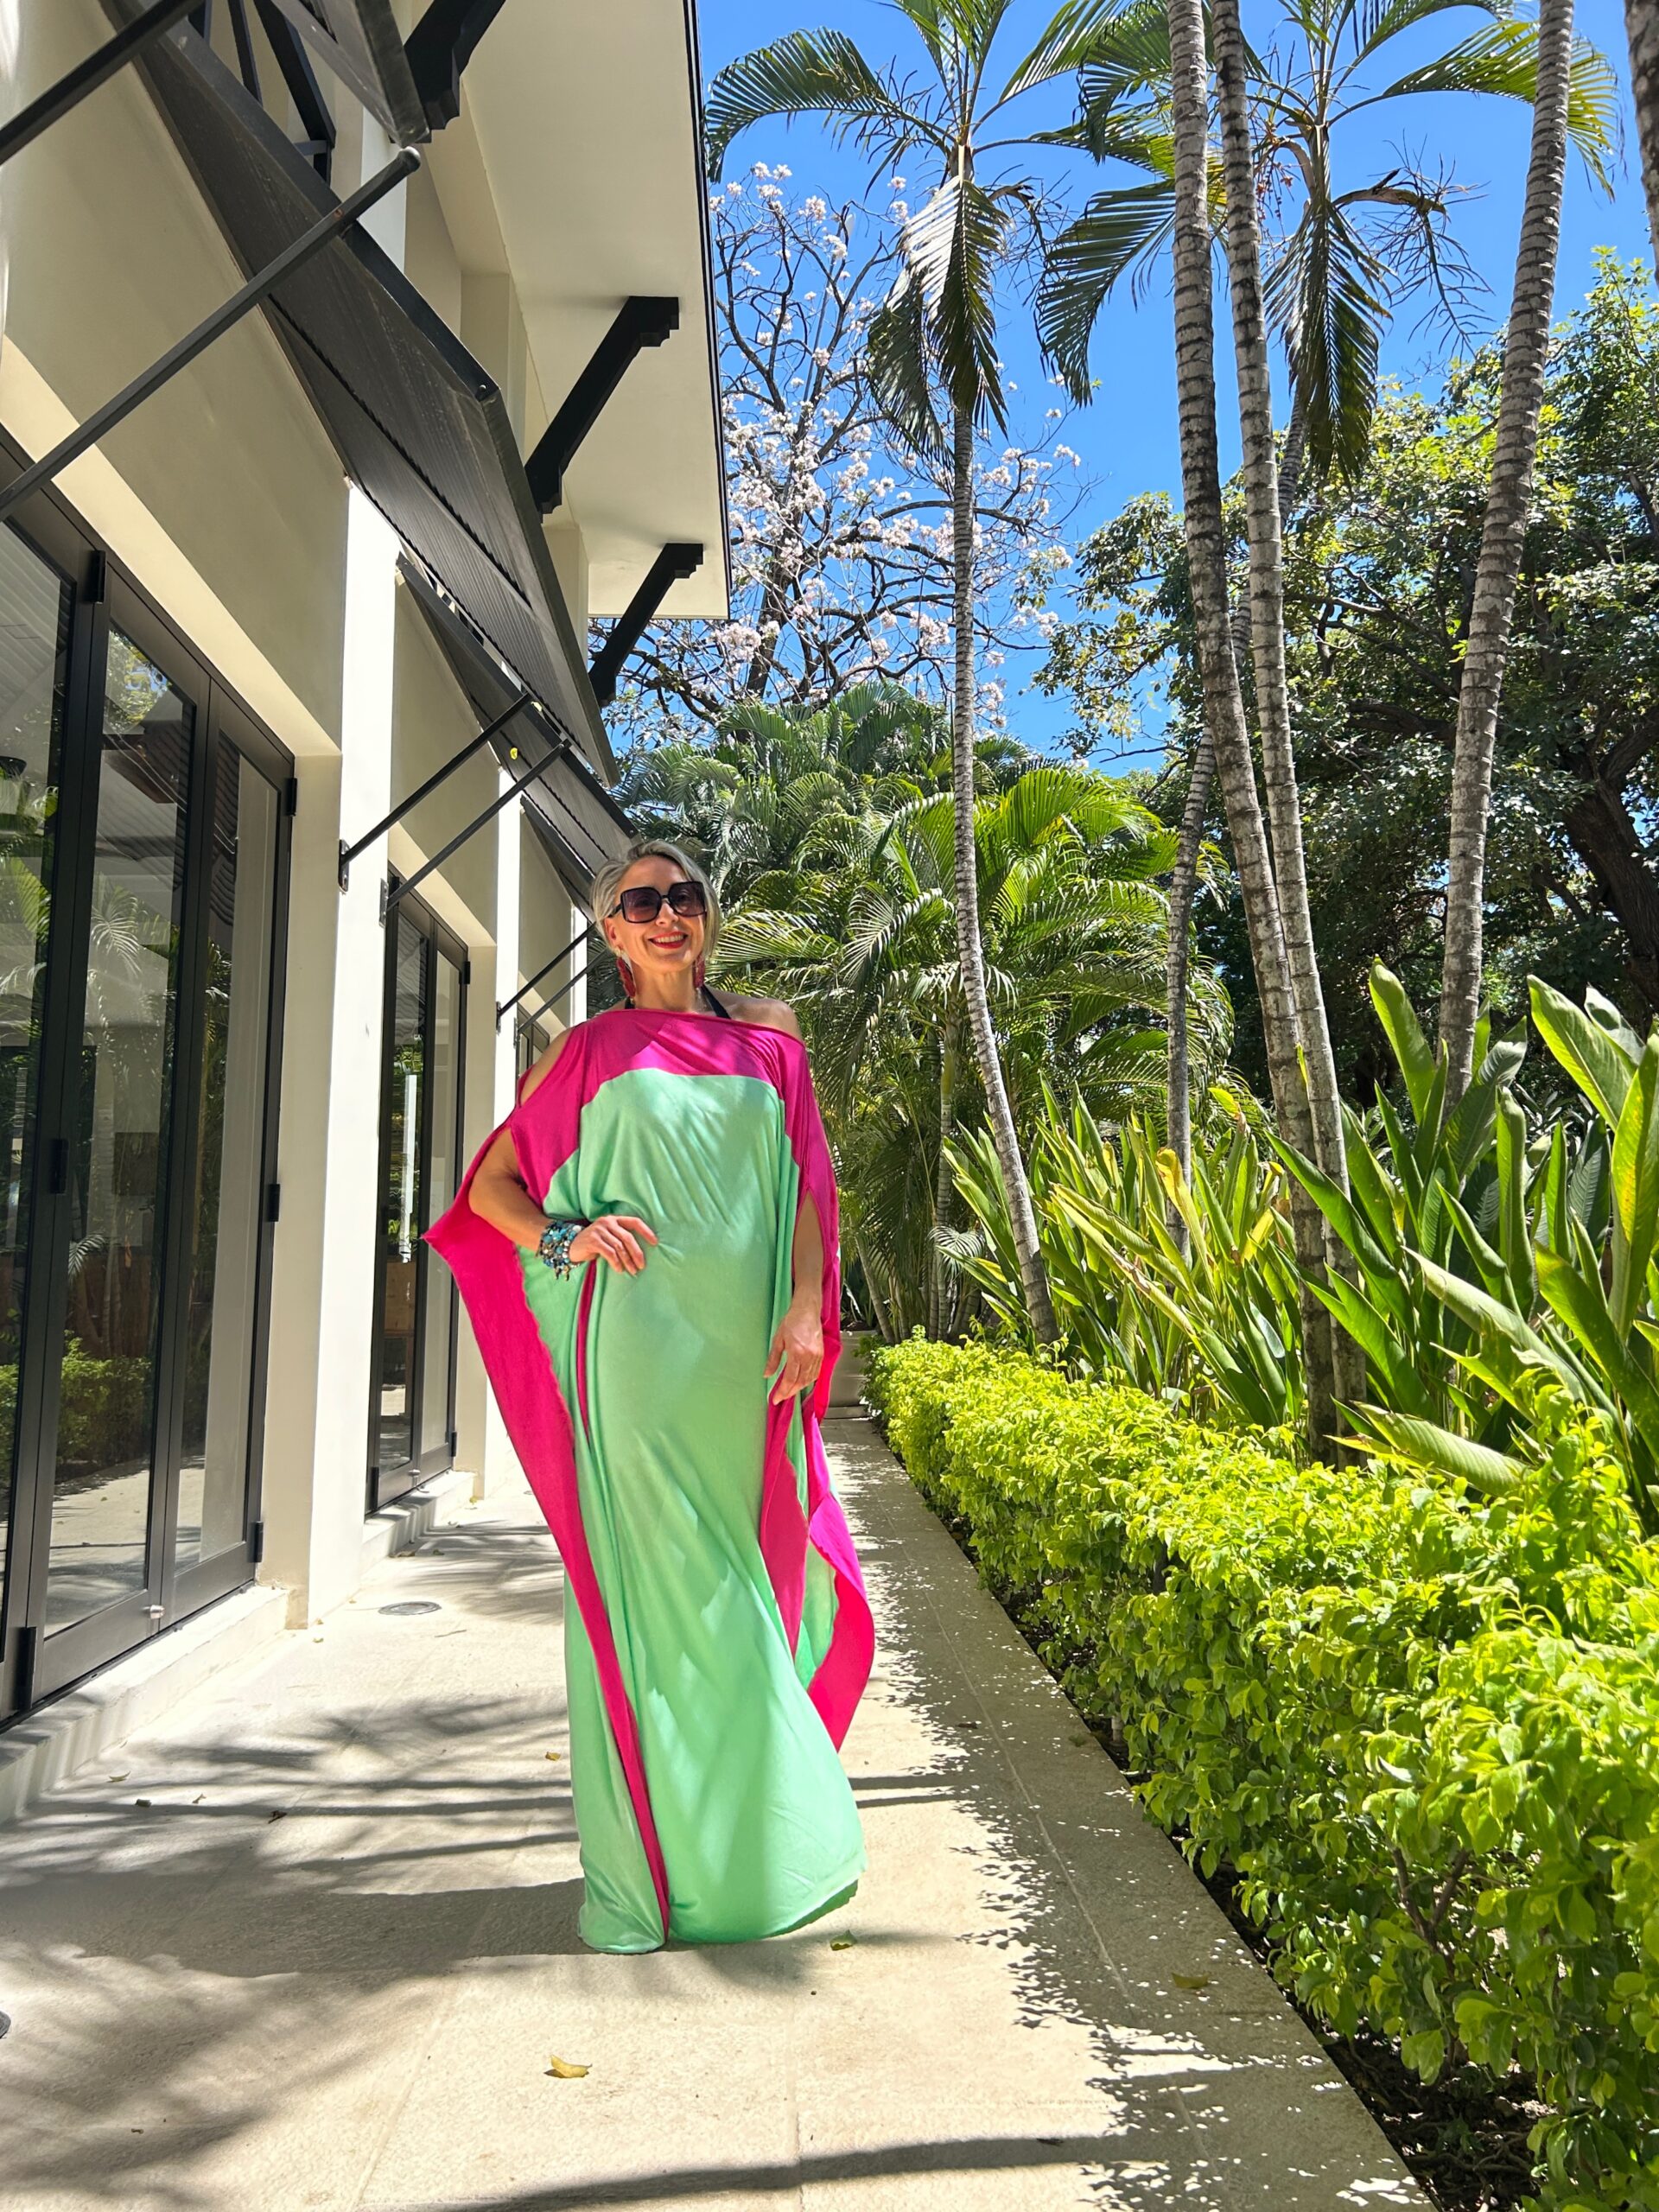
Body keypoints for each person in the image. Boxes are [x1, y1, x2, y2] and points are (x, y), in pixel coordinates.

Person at [427, 838, 873, 1954]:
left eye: (684, 896)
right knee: (657, 1592)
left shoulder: (770, 1034)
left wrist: (808, 1309)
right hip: (633, 1355)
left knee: (745, 1581)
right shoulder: (584, 1049)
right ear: (611, 930)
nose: (668, 914)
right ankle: (661, 1877)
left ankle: (745, 1847)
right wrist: (567, 1238)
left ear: (706, 913)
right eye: (642, 902)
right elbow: (492, 1190)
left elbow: (806, 1186)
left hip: (745, 1362)